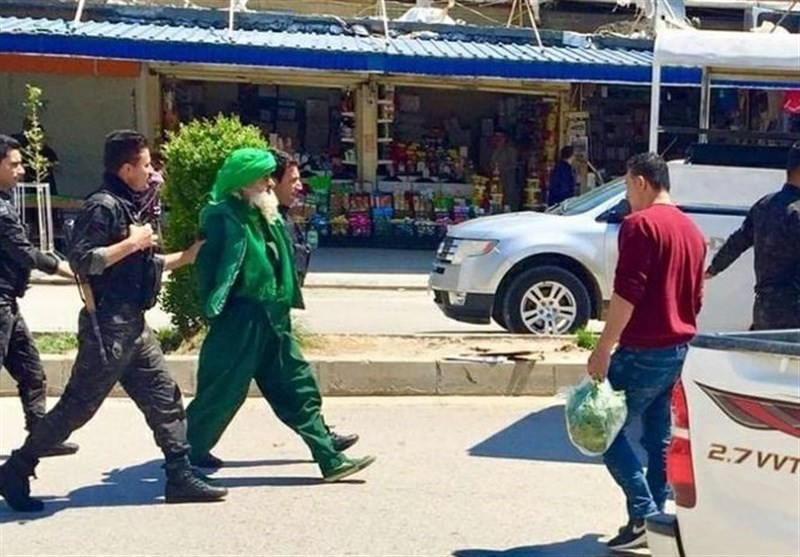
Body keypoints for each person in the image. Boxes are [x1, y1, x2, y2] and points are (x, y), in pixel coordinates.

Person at [0, 130, 227, 513]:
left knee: (164, 396)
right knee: (77, 407)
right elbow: (82, 261)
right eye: (145, 164)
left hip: (133, 323)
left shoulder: (128, 205)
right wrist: (133, 242)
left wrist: (183, 257)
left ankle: (179, 473)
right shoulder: (102, 206)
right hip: (107, 325)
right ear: (126, 169)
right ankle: (17, 468)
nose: (151, 171)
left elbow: (136, 264)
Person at [185, 148, 374, 482]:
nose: (269, 182)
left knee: (297, 385)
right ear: (242, 181)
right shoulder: (221, 215)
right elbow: (207, 268)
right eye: (262, 176)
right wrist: (216, 310)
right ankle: (185, 455)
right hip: (242, 318)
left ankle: (330, 459)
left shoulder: (265, 212)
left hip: (275, 315)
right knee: (222, 392)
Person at [587, 153, 706, 551]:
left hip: (643, 348)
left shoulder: (639, 226)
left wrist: (603, 348)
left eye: (625, 186)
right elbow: (697, 297)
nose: (627, 195)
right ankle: (653, 522)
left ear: (641, 182)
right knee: (657, 438)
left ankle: (643, 513)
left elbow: (626, 294)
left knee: (602, 430)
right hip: (678, 348)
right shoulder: (692, 230)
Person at [0, 134, 78, 458]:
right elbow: (25, 252)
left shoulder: (6, 201)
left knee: (31, 370)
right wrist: (69, 271)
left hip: (7, 302)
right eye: (14, 164)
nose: (21, 171)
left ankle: (41, 436)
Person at [705, 141, 800, 330]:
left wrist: (713, 269)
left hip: (764, 310)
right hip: (794, 312)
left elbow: (737, 242)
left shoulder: (763, 205)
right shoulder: (796, 212)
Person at [489, 129, 520, 211]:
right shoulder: (492, 150)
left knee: (507, 202)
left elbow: (513, 165)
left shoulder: (510, 150)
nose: (498, 139)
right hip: (495, 183)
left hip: (507, 181)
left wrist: (500, 170)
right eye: (496, 137)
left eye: (500, 137)